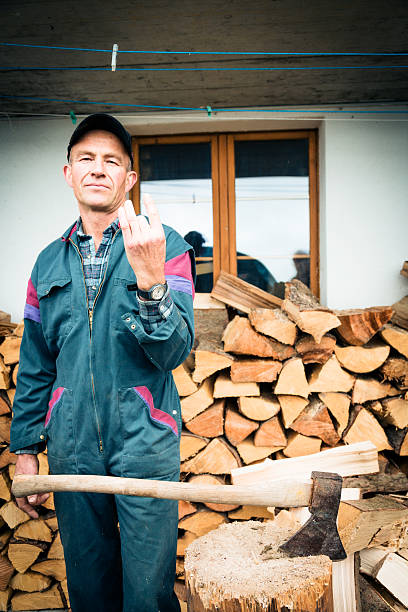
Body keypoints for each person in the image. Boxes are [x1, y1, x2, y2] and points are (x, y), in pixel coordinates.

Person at [10, 113, 195, 612]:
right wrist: (25, 447)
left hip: (145, 439)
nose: (98, 168)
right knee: (89, 584)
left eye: (112, 160)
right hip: (71, 445)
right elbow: (35, 364)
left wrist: (153, 279)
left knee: (146, 593)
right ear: (68, 173)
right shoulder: (47, 262)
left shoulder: (165, 244)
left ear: (129, 178)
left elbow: (175, 350)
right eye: (86, 159)